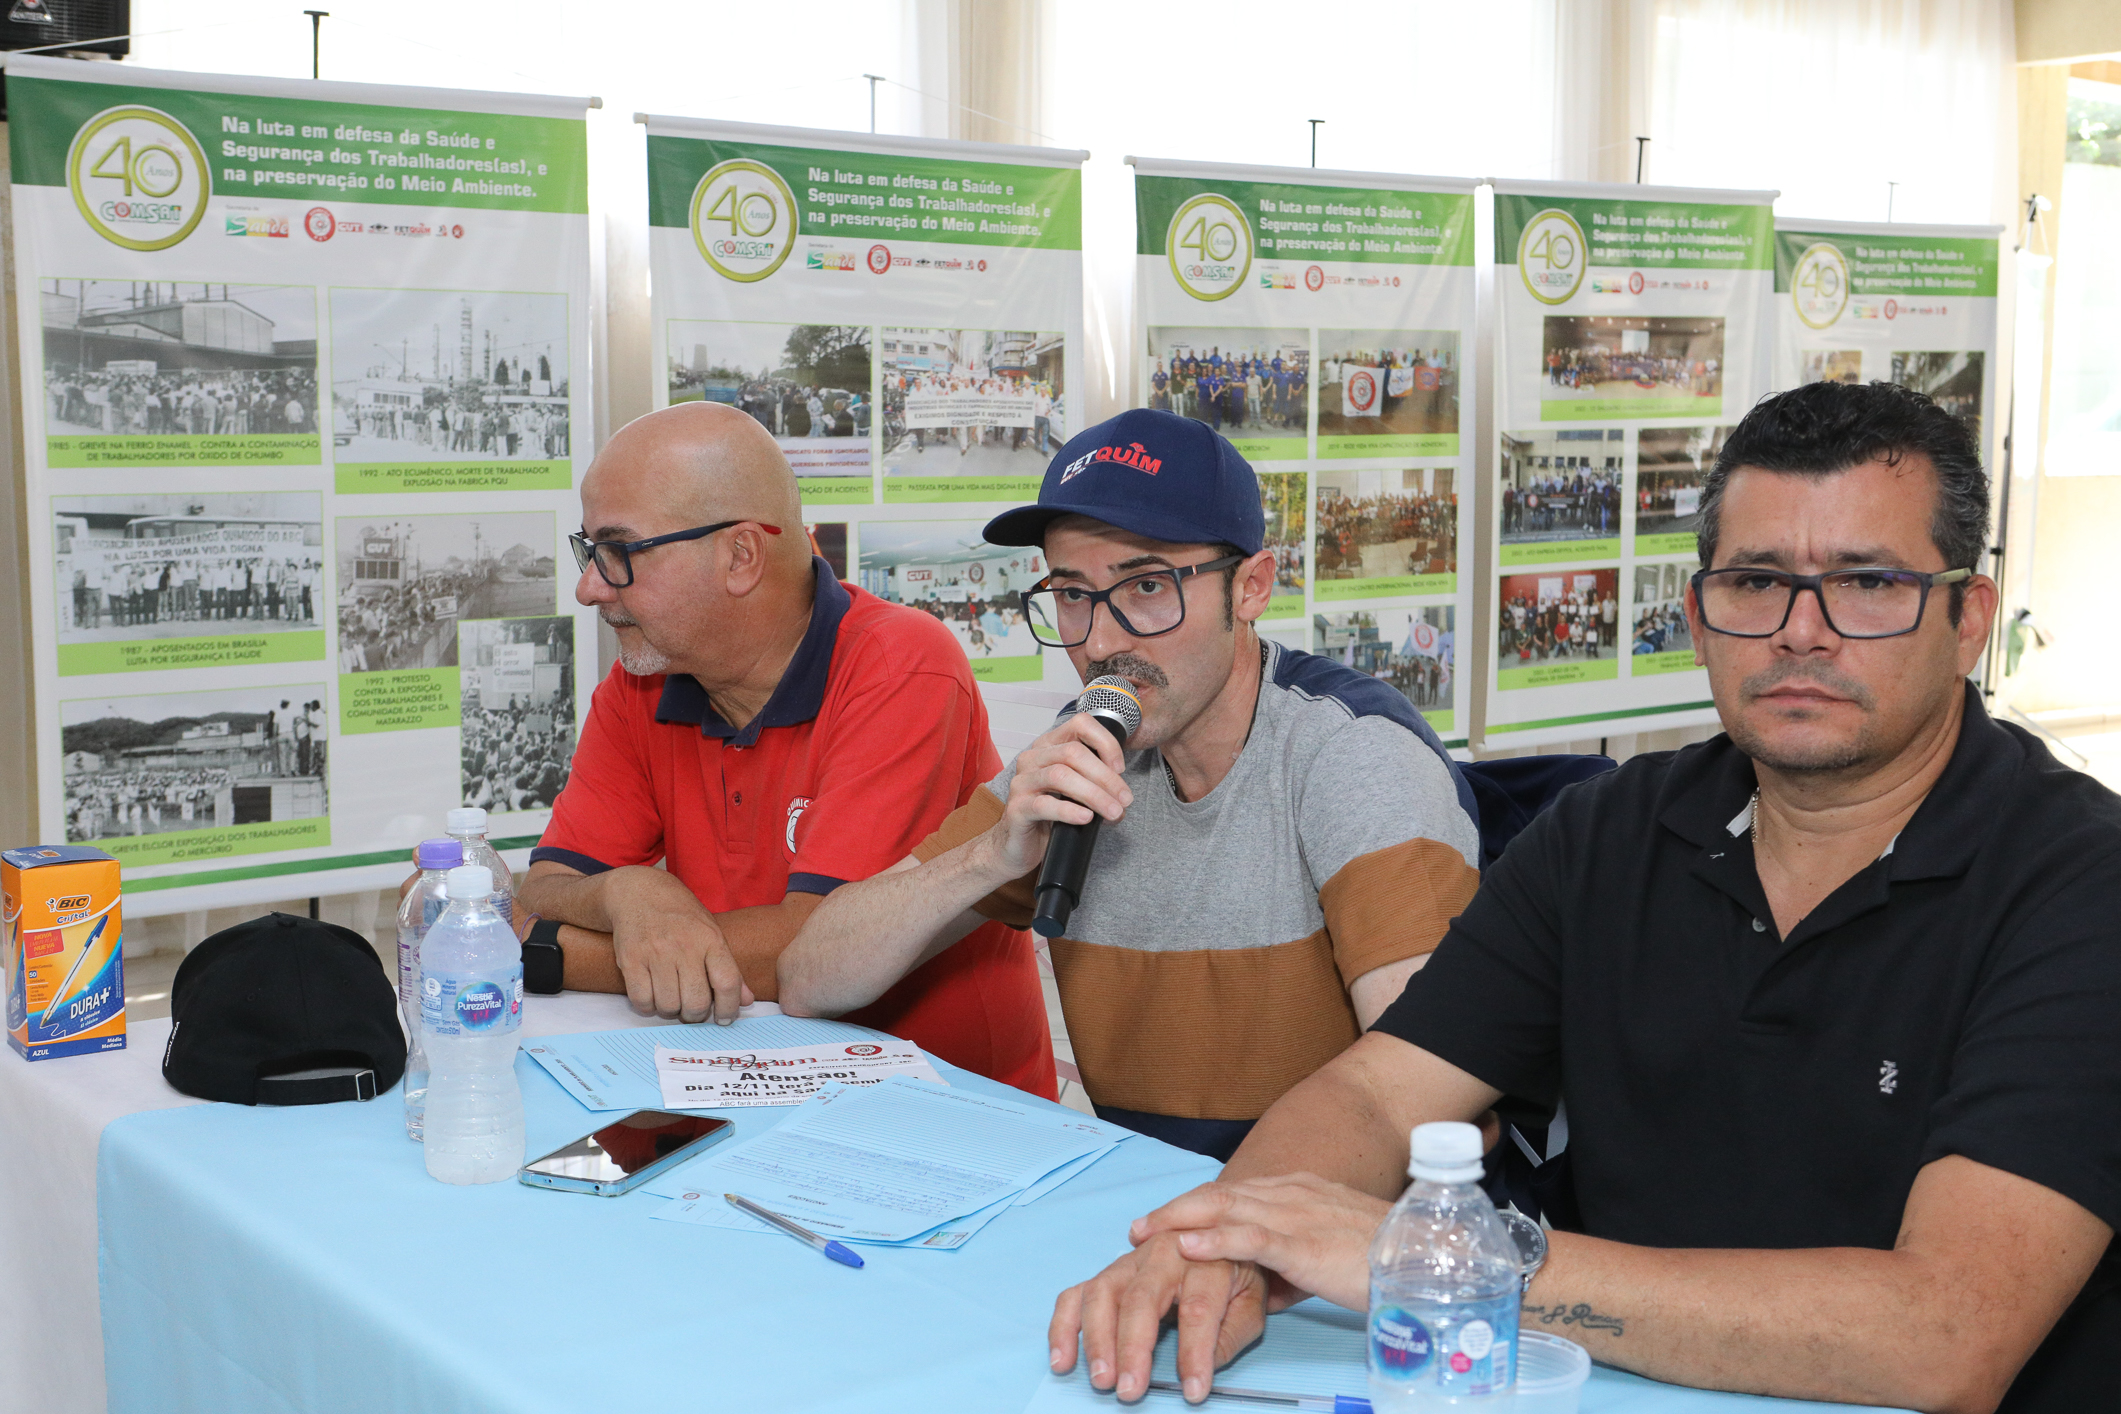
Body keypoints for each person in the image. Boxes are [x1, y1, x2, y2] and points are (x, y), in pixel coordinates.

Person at [1049, 382, 2119, 1413]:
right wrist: (1222, 1243)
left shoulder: (2080, 881)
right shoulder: (1609, 830)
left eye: (1868, 582)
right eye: (1755, 581)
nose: (1802, 629)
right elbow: (1375, 1096)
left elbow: (1948, 1333)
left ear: (1969, 618)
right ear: (1698, 614)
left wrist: (1438, 1261)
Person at [778, 409, 1480, 1160]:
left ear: (1250, 587)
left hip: (1328, 1228)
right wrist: (993, 855)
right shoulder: (1086, 744)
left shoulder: (1350, 754)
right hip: (1142, 1200)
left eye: (1146, 585)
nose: (1102, 642)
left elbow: (1430, 1093)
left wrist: (1219, 1227)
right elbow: (811, 977)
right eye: (1073, 594)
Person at [512, 402, 1054, 1094]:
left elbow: (807, 957)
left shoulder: (899, 666)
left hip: (938, 1105)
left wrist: (540, 952)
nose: (589, 587)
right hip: (737, 1087)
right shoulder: (641, 682)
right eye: (588, 551)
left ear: (739, 555)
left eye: (619, 553)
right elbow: (549, 885)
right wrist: (630, 892)